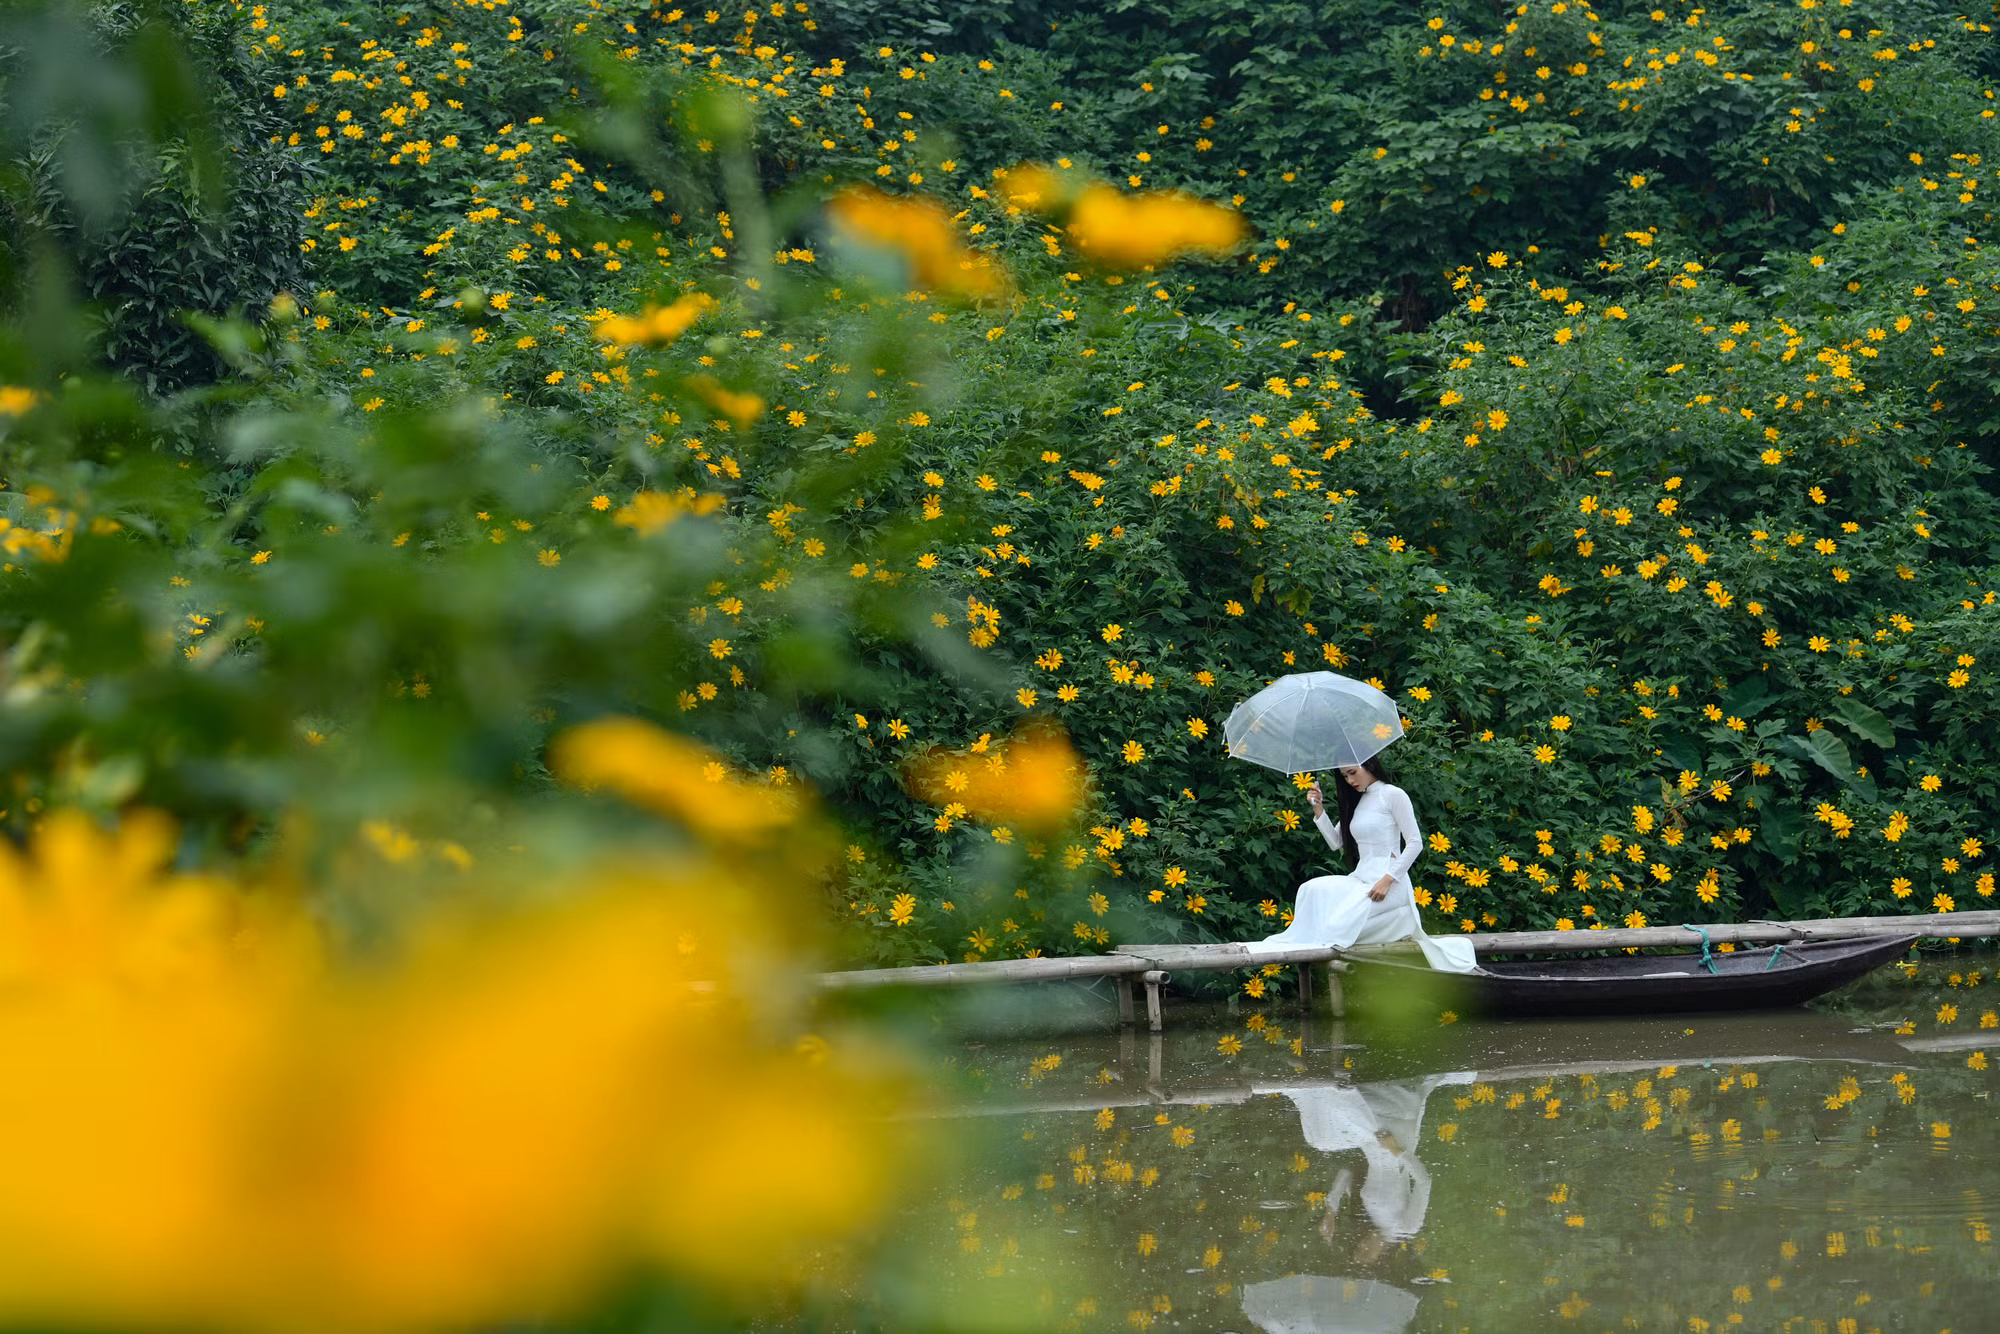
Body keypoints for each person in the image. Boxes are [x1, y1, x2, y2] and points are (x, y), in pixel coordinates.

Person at [1247, 757, 1476, 972]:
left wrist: (1388, 879)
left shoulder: (1392, 794)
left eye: (1352, 773)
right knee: (1311, 889)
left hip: (1389, 883)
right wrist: (1319, 810)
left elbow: (1415, 843)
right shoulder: (1358, 800)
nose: (1350, 780)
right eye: (1345, 776)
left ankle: (1401, 919)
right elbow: (1337, 842)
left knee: (1338, 927)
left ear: (1370, 765)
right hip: (1360, 879)